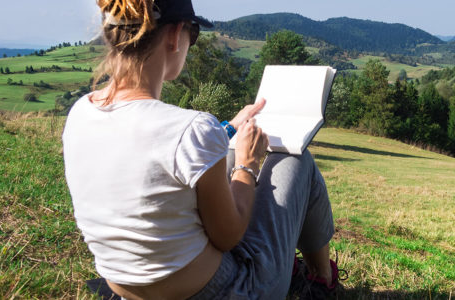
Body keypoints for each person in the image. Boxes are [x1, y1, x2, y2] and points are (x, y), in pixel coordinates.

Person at [62, 0, 340, 298]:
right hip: (228, 290)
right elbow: (229, 236)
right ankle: (320, 279)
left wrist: (230, 128)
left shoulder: (81, 112)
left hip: (126, 289)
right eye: (192, 34)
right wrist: (248, 164)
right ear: (175, 35)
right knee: (295, 161)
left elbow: (155, 152)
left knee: (225, 155)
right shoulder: (192, 129)